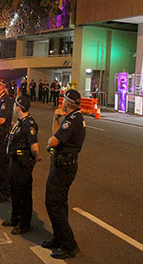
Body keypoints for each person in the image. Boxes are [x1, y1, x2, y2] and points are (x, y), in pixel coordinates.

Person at [42, 89, 86, 259]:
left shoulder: (72, 120)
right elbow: (57, 134)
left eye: (64, 100)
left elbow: (53, 140)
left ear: (68, 102)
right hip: (65, 165)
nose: (62, 102)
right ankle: (59, 237)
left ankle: (69, 244)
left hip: (63, 167)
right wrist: (55, 118)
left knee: (53, 203)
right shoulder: (72, 119)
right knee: (60, 203)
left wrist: (50, 143)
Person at [2, 95, 41, 235]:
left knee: (23, 193)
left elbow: (34, 145)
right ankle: (15, 218)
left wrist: (36, 157)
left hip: (23, 163)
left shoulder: (29, 124)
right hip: (15, 161)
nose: (13, 108)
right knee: (15, 191)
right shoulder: (19, 122)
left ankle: (25, 224)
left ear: (18, 108)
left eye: (14, 106)